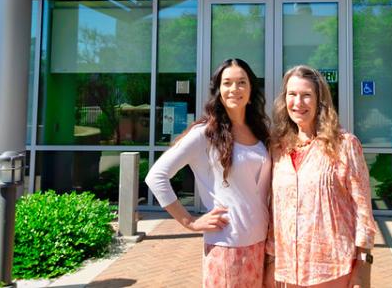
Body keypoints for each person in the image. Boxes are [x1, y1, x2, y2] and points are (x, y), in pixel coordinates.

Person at [146, 58, 271, 288]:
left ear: (251, 89)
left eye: (242, 82)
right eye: (228, 83)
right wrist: (190, 222)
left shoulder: (260, 131)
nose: (235, 89)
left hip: (260, 243)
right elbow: (156, 176)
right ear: (218, 91)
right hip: (226, 246)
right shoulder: (205, 134)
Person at [264, 65, 377, 288]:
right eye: (292, 95)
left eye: (307, 95)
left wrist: (363, 265)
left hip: (333, 270)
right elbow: (275, 210)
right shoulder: (278, 148)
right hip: (286, 271)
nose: (298, 103)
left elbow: (363, 209)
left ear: (320, 100)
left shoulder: (344, 144)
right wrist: (271, 260)